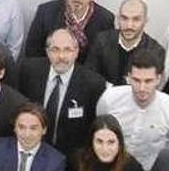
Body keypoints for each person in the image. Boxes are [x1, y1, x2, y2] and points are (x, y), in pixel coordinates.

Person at [95, 50, 169, 171]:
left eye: (148, 81)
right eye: (136, 80)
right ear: (128, 77)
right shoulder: (109, 99)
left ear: (159, 79)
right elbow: (99, 130)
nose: (142, 88)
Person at [17, 29, 106, 157]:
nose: (61, 56)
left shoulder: (93, 84)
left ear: (76, 52)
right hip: (30, 153)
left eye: (67, 50)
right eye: (55, 50)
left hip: (71, 160)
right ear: (47, 52)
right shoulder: (28, 71)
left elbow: (93, 129)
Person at [23, 0, 115, 62]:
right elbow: (32, 52)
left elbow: (105, 58)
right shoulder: (46, 12)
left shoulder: (105, 19)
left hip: (87, 73)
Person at [85, 0, 165, 86]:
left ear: (145, 21)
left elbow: (148, 88)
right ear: (118, 18)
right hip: (102, 95)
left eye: (136, 19)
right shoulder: (101, 40)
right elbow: (89, 76)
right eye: (124, 18)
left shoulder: (156, 52)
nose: (129, 25)